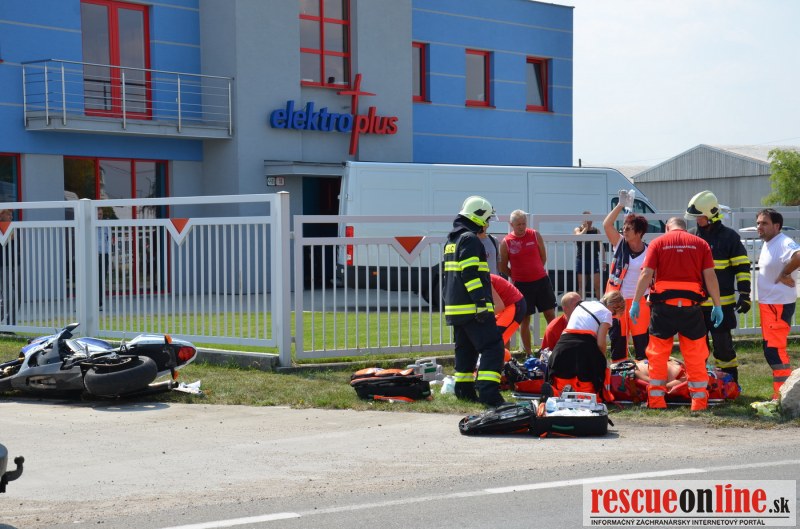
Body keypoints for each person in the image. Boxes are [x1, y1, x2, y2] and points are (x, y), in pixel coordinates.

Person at [630, 217, 723, 411]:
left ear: (667, 227)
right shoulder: (700, 244)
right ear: (685, 228)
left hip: (663, 308)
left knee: (658, 355)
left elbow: (646, 274)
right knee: (695, 355)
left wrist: (636, 302)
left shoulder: (658, 243)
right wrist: (717, 304)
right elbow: (710, 276)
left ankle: (656, 401)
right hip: (691, 308)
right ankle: (699, 403)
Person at [443, 196, 506, 406]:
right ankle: (489, 394)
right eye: (487, 219)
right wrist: (480, 302)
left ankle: (464, 392)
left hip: (456, 308)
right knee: (493, 347)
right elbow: (469, 273)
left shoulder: (452, 240)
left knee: (466, 350)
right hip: (472, 307)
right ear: (478, 216)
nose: (488, 224)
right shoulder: (470, 239)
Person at [686, 190, 751, 382]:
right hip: (697, 305)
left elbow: (742, 267)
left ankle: (730, 383)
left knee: (723, 348)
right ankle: (702, 384)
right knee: (698, 348)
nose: (697, 220)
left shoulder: (729, 237)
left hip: (722, 304)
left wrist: (745, 294)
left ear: (712, 214)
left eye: (700, 216)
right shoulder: (691, 237)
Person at [546, 290, 625, 401]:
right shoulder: (606, 313)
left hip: (561, 346)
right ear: (614, 307)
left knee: (561, 381)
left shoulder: (583, 304)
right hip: (584, 347)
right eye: (614, 315)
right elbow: (601, 343)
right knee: (588, 386)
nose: (613, 318)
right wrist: (603, 360)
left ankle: (557, 393)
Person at [755, 208, 800, 400]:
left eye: (764, 223)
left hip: (778, 306)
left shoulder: (782, 242)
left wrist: (784, 273)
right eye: (758, 223)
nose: (759, 227)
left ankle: (785, 396)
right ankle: (781, 395)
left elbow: (798, 256)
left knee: (775, 352)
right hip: (770, 306)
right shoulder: (769, 243)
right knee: (771, 351)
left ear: (776, 226)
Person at [499, 210, 557, 354]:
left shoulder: (535, 235)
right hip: (522, 285)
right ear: (511, 224)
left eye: (523, 224)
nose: (521, 227)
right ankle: (529, 354)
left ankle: (554, 348)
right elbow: (502, 266)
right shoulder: (506, 242)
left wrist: (536, 271)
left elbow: (543, 256)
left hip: (541, 281)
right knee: (525, 320)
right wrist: (516, 275)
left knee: (550, 315)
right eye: (518, 224)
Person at [602, 196, 650, 361]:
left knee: (642, 341)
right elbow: (607, 225)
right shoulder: (619, 243)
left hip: (640, 302)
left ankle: (643, 371)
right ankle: (618, 372)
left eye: (629, 228)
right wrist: (620, 205)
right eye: (623, 227)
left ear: (639, 232)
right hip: (617, 301)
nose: (624, 231)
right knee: (618, 340)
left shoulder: (649, 251)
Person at [490, 273, 526, 346]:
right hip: (507, 306)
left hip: (514, 306)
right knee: (494, 339)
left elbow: (499, 306)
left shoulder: (484, 280)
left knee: (495, 341)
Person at [574, 211, 603, 299]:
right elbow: (579, 237)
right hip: (581, 260)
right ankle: (581, 304)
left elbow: (601, 246)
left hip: (594, 260)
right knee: (581, 285)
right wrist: (585, 229)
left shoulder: (596, 231)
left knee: (597, 285)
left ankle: (601, 304)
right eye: (585, 219)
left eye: (589, 219)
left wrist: (604, 260)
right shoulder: (578, 229)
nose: (588, 221)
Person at [0, 209, 17, 326]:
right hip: (3, 265)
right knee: (9, 296)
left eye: (11, 214)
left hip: (11, 265)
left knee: (13, 296)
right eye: (8, 214)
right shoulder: (6, 228)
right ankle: (5, 321)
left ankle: (10, 323)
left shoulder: (11, 227)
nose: (11, 216)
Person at [97, 208, 111, 311]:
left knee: (101, 279)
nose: (99, 216)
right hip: (92, 254)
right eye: (98, 214)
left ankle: (100, 303)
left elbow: (109, 240)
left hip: (104, 254)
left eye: (100, 214)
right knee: (91, 279)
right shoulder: (89, 226)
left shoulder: (106, 226)